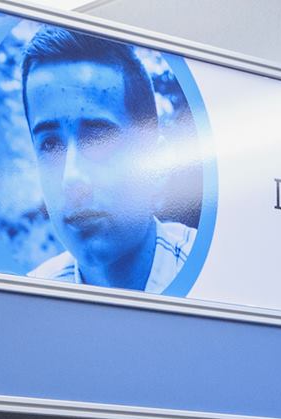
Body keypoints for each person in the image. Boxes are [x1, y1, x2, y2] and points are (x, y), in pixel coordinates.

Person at [19, 26, 197, 294]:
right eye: (51, 144)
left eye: (97, 139)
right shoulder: (28, 299)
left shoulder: (222, 274)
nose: (71, 178)